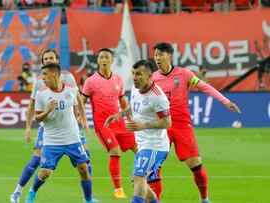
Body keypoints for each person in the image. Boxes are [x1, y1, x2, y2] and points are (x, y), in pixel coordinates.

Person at [150, 42, 241, 203]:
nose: (157, 57)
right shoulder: (153, 78)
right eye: (155, 54)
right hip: (161, 126)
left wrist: (226, 101)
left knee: (196, 166)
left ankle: (204, 199)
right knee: (153, 170)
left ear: (170, 56)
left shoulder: (184, 74)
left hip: (181, 124)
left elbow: (205, 87)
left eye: (161, 54)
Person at [10, 49, 90, 203]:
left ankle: (88, 198)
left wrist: (82, 119)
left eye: (50, 58)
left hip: (69, 130)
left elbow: (76, 97)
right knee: (36, 161)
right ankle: (18, 192)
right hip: (49, 130)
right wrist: (27, 128)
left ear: (57, 60)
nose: (48, 60)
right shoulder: (40, 82)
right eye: (45, 59)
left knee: (85, 164)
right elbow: (31, 106)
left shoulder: (68, 77)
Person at [105, 59, 171, 203]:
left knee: (139, 177)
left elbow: (167, 122)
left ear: (149, 76)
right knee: (138, 182)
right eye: (133, 73)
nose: (134, 77)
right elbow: (134, 105)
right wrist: (118, 115)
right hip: (142, 144)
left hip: (155, 145)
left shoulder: (158, 97)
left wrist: (144, 125)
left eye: (139, 74)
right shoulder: (136, 88)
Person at [81, 48, 137, 199]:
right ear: (98, 61)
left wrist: (130, 119)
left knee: (139, 150)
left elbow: (122, 100)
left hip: (119, 123)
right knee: (115, 151)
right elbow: (82, 100)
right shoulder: (90, 81)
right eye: (101, 57)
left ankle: (139, 179)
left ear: (112, 60)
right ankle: (118, 189)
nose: (104, 59)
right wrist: (79, 116)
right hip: (102, 125)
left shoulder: (118, 79)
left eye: (107, 57)